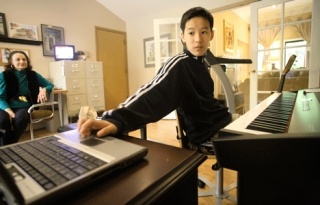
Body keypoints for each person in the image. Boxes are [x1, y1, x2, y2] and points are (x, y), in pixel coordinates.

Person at [78, 7, 231, 154]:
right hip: (206, 135)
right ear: (183, 37)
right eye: (191, 33)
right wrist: (115, 119)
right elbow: (152, 93)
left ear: (211, 35)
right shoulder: (180, 64)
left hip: (220, 122)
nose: (198, 39)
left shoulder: (201, 63)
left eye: (203, 32)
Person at [0, 50, 54, 145]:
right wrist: (9, 111)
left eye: (24, 59)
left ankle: (9, 145)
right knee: (3, 120)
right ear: (11, 62)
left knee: (21, 119)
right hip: (5, 105)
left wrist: (44, 89)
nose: (22, 61)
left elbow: (49, 85)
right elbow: (1, 98)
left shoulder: (33, 74)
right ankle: (6, 145)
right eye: (18, 59)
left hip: (23, 106)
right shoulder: (4, 76)